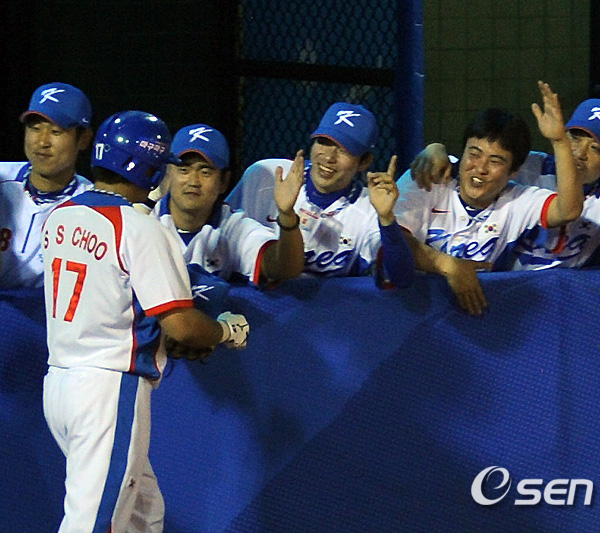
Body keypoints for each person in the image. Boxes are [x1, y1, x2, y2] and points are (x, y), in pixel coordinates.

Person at [41, 110, 250, 532]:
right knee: (93, 524)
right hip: (106, 390)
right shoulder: (139, 227)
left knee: (142, 513)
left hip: (60, 384)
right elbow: (181, 326)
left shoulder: (60, 214)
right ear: (150, 168)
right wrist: (226, 331)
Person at [393, 81, 582, 315]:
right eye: (474, 154)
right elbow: (392, 243)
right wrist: (448, 265)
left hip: (476, 318)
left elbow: (569, 210)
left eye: (495, 161)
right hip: (409, 311)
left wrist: (560, 142)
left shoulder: (517, 199)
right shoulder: (428, 175)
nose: (480, 168)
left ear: (514, 171)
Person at [226, 102, 415, 288]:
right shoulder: (266, 175)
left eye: (344, 150)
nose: (329, 157)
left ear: (364, 162)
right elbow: (220, 235)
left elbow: (401, 279)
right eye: (324, 142)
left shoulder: (370, 209)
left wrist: (387, 219)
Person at [407, 98, 600, 271]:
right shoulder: (532, 165)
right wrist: (436, 149)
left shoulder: (524, 194)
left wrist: (559, 142)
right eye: (574, 139)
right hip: (506, 286)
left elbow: (569, 210)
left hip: (560, 293)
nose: (579, 153)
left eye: (595, 148)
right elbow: (474, 160)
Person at [151, 123, 305, 286]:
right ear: (168, 173)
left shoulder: (234, 227)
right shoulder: (146, 219)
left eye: (205, 172)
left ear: (224, 181)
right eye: (184, 170)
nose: (193, 181)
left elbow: (285, 268)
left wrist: (287, 215)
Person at [0, 82, 94, 289]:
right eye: (35, 128)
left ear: (84, 139)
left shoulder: (92, 207)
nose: (42, 142)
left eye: (56, 131)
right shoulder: (2, 179)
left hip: (47, 308)